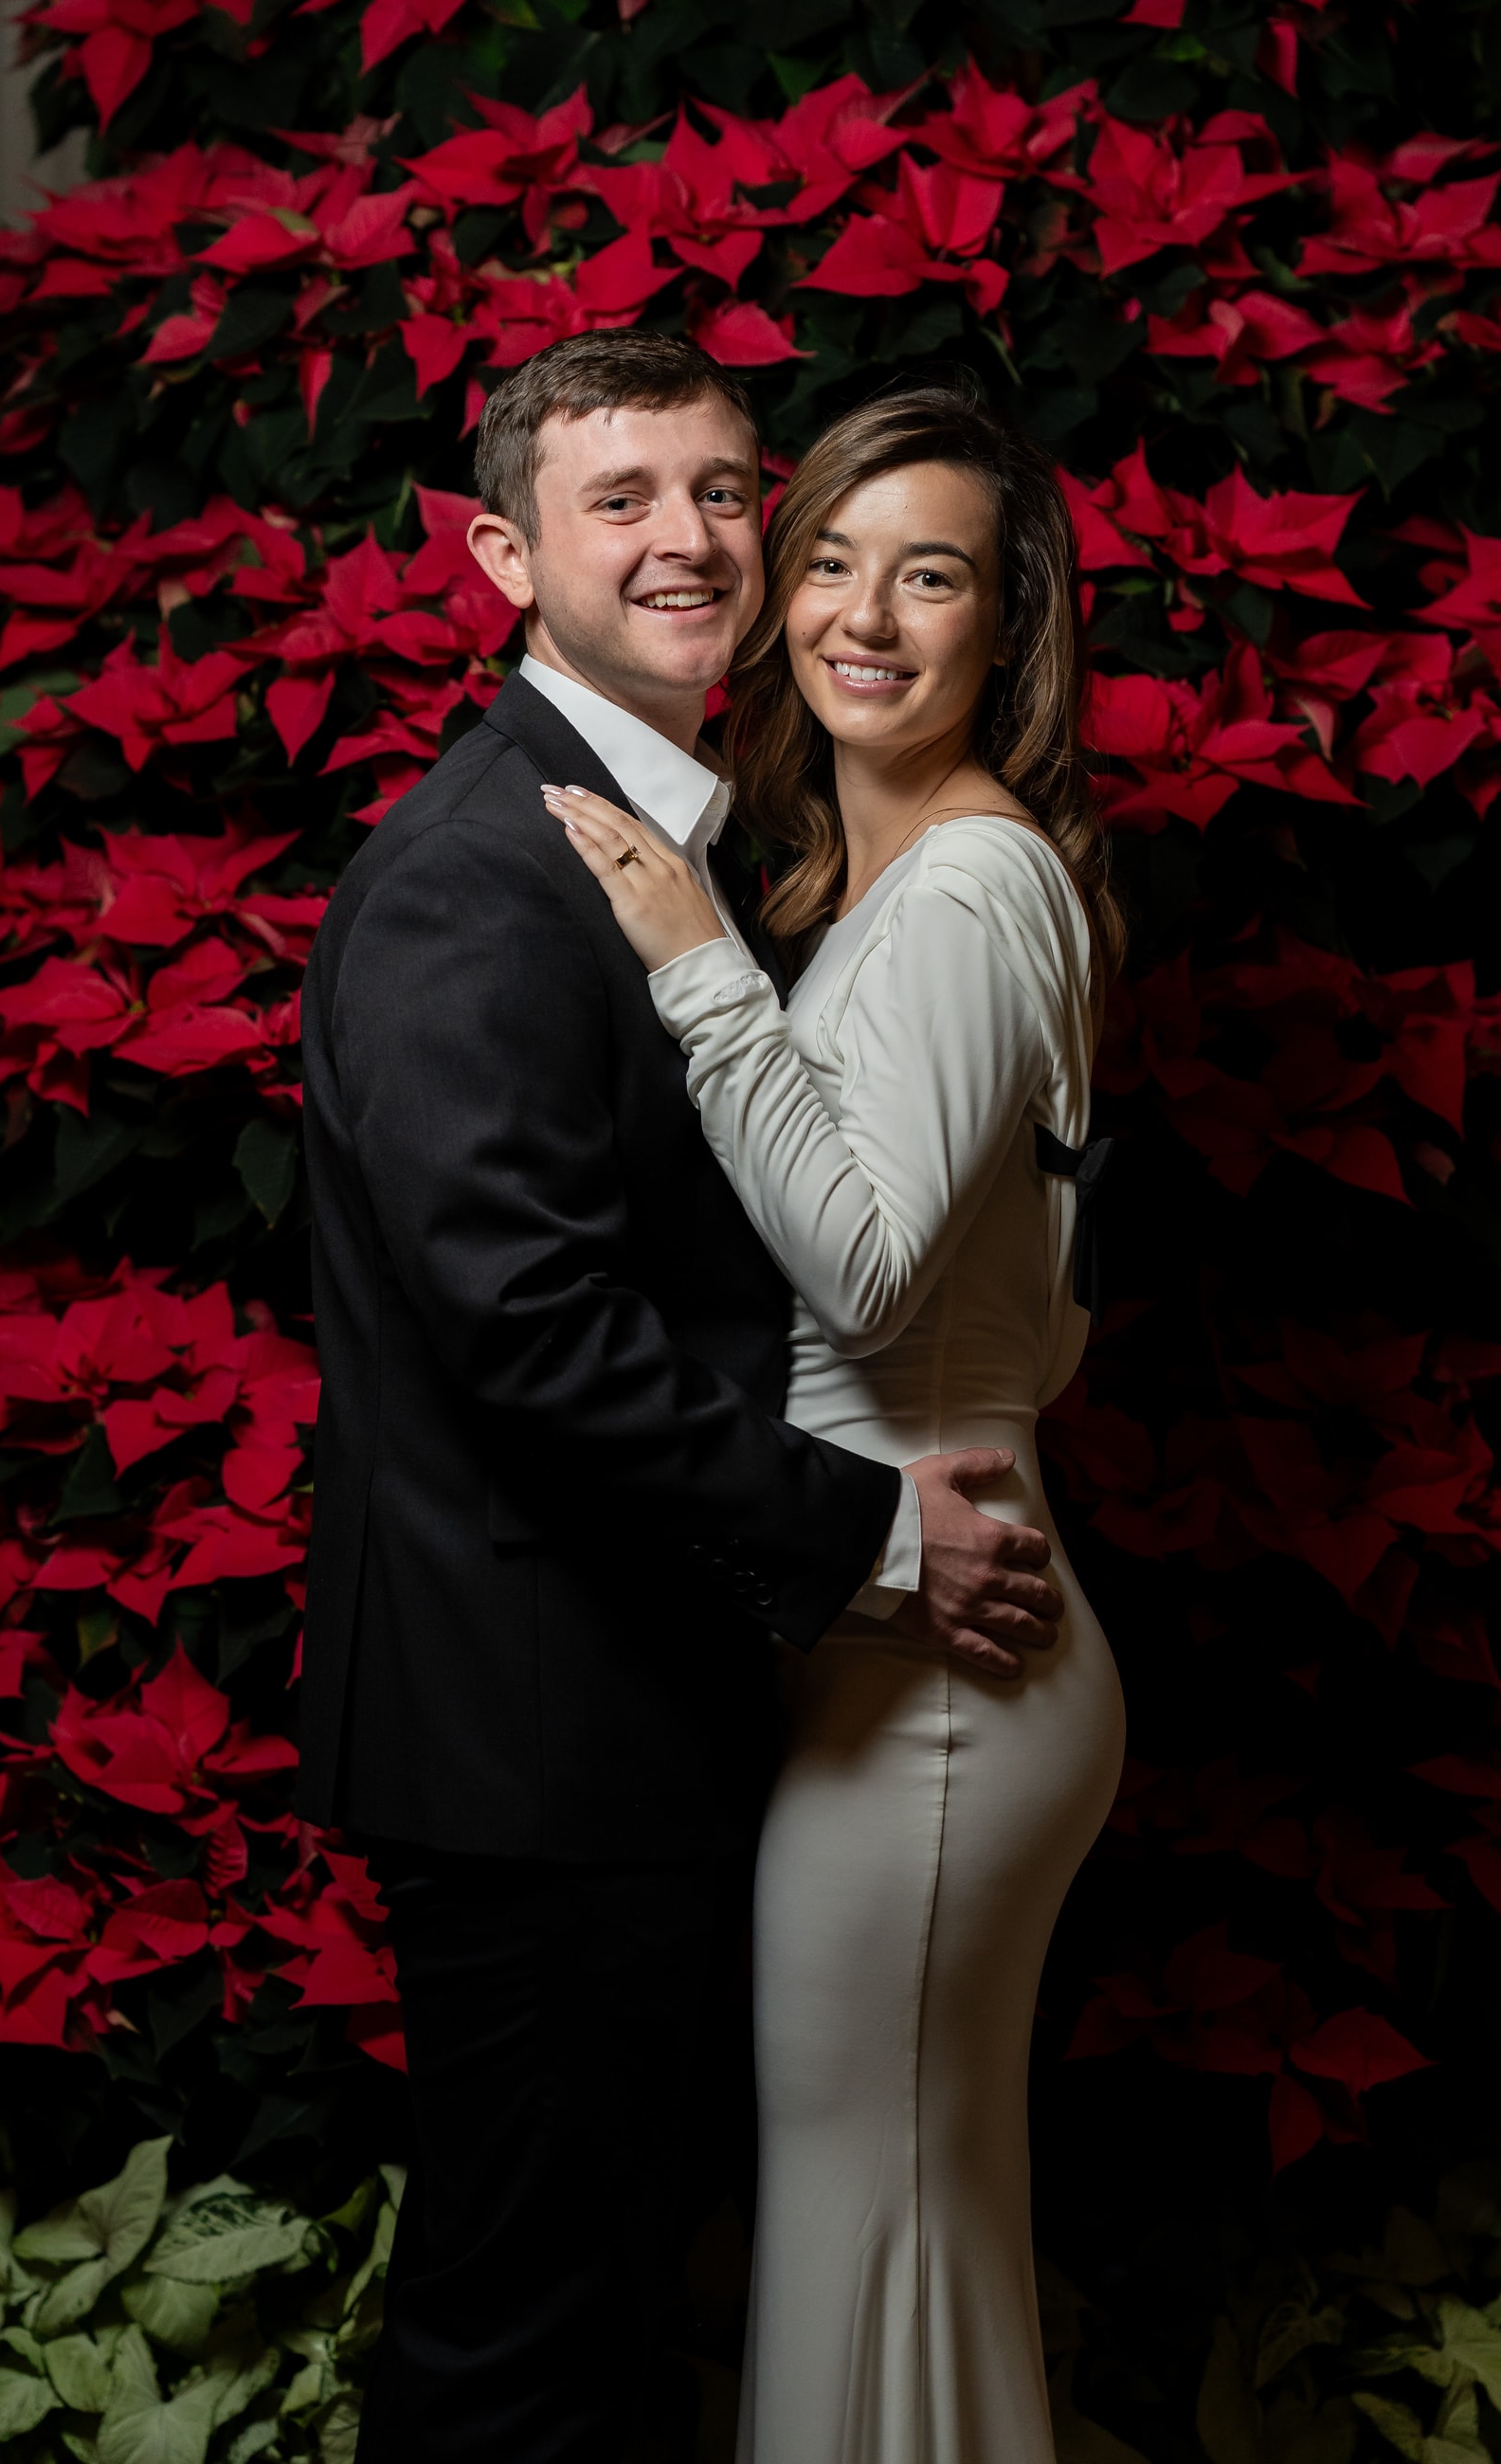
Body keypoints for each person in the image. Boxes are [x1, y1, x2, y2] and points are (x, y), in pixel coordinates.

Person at [296, 334, 1069, 2464]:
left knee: (617, 2311)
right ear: (501, 558)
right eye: (619, 498)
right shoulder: (484, 874)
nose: (689, 539)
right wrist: (875, 1531)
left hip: (625, 1699)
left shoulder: (677, 843)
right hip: (533, 1724)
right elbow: (530, 1325)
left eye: (725, 492)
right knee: (528, 2340)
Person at [551, 382, 1129, 2464]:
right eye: (831, 563)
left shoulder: (965, 888)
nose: (864, 616)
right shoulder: (899, 884)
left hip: (943, 1672)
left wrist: (695, 965)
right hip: (908, 1619)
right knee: (901, 2218)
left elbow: (868, 1269)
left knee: (865, 2223)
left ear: (1008, 625)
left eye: (932, 573)